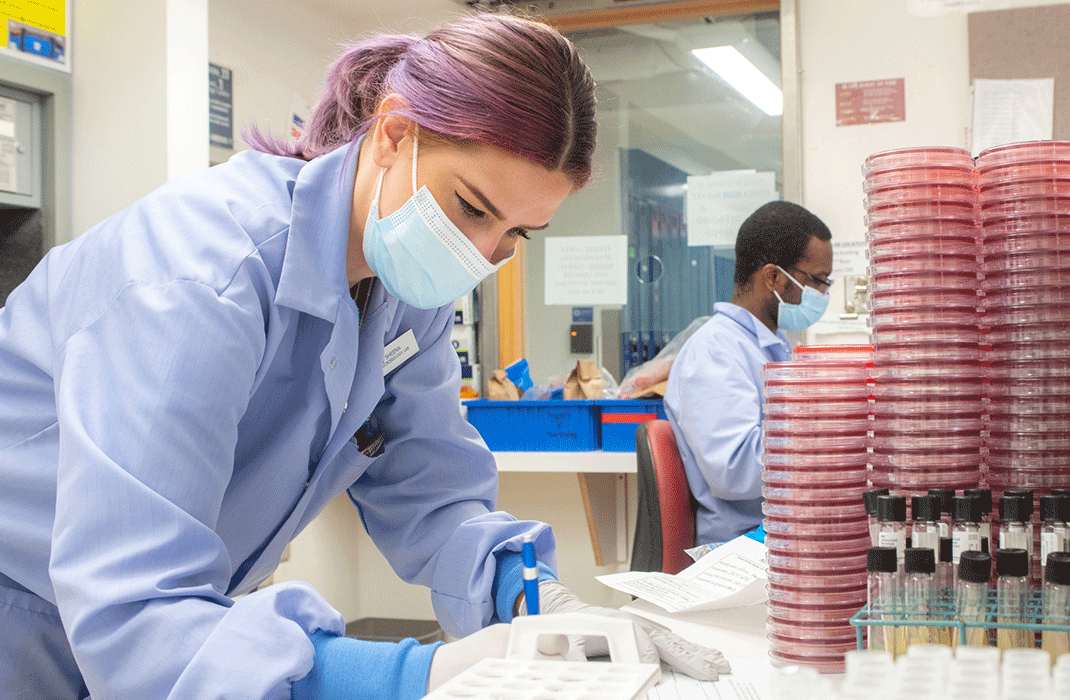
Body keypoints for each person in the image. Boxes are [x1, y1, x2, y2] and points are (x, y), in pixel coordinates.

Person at [0, 13, 728, 700]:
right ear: (393, 133)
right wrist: (424, 674)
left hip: (157, 629)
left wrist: (539, 600)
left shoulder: (406, 290)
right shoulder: (200, 277)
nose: (480, 255)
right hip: (27, 616)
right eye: (471, 208)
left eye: (517, 234)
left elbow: (431, 491)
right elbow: (137, 610)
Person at [664, 201, 833, 547]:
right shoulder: (716, 350)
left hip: (782, 534)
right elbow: (734, 471)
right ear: (773, 277)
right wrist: (828, 443)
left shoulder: (772, 346)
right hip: (742, 548)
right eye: (817, 282)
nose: (823, 295)